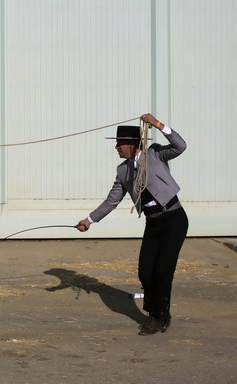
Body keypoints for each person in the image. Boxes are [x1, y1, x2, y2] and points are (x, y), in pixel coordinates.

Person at [76, 113, 188, 335]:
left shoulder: (155, 154)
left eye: (119, 144)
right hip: (153, 223)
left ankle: (158, 318)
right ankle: (158, 312)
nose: (116, 148)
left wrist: (158, 124)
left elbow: (180, 146)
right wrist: (89, 220)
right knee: (146, 272)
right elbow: (112, 201)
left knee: (163, 271)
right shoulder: (123, 170)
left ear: (132, 144)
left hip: (173, 219)